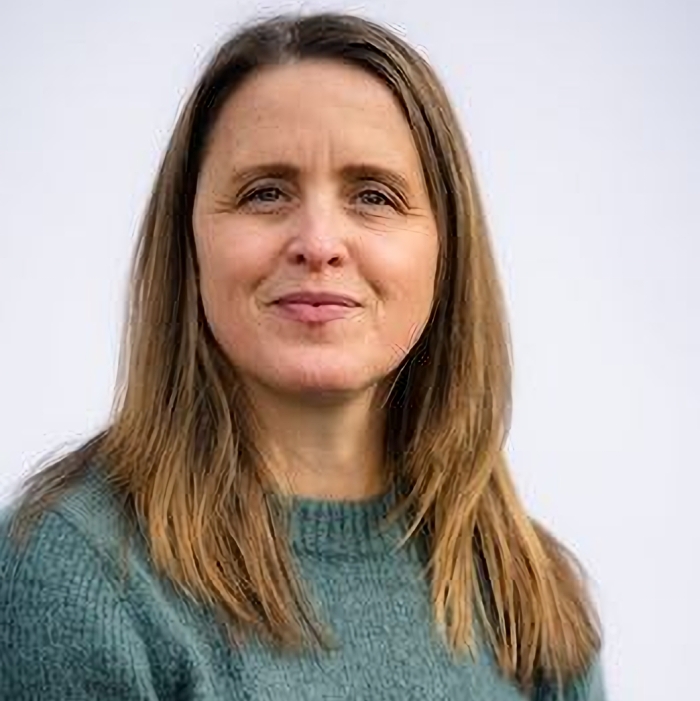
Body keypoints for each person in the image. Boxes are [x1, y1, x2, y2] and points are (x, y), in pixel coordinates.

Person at [0, 11, 606, 700]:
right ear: (189, 242)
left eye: (374, 195)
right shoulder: (74, 576)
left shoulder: (531, 595)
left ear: (446, 249)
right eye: (265, 193)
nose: (318, 243)